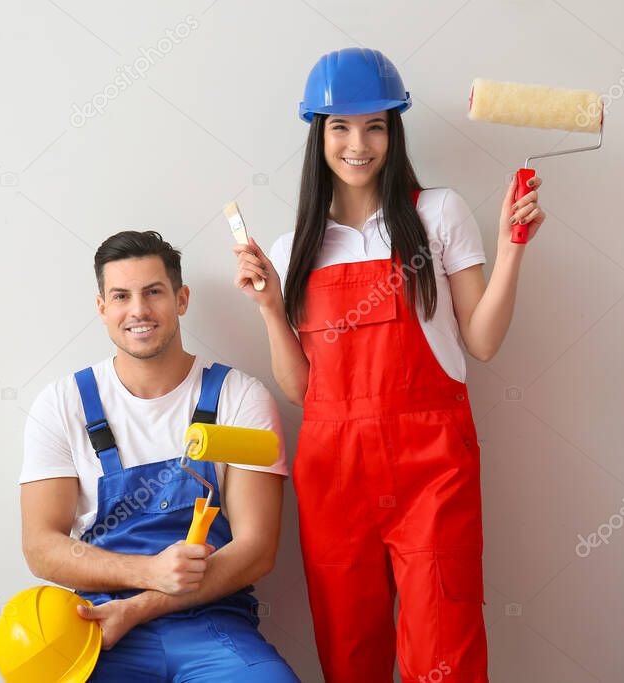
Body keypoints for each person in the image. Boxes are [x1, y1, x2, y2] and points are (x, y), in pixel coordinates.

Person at [231, 48, 546, 682]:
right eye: (340, 127)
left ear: (393, 130)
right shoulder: (297, 246)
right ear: (319, 133)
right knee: (350, 655)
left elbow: (481, 342)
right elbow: (301, 390)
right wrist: (270, 309)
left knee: (444, 650)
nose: (358, 143)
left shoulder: (439, 213)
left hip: (431, 464)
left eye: (375, 125)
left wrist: (513, 250)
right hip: (333, 472)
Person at [20, 230, 299, 682]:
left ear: (181, 298)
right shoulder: (63, 402)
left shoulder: (238, 396)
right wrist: (150, 571)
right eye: (121, 296)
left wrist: (144, 604)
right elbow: (41, 548)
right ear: (102, 308)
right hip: (101, 629)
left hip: (213, 621)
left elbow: (256, 551)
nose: (138, 310)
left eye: (153, 292)